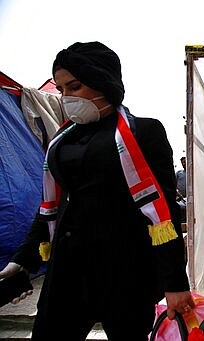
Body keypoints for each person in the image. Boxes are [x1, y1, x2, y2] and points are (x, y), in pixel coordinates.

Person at [0, 41, 194, 340]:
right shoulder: (61, 142)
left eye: (75, 87)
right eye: (62, 89)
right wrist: (23, 258)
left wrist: (175, 283)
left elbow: (162, 210)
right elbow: (52, 207)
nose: (66, 97)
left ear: (102, 82)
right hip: (68, 271)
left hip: (126, 273)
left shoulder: (143, 132)